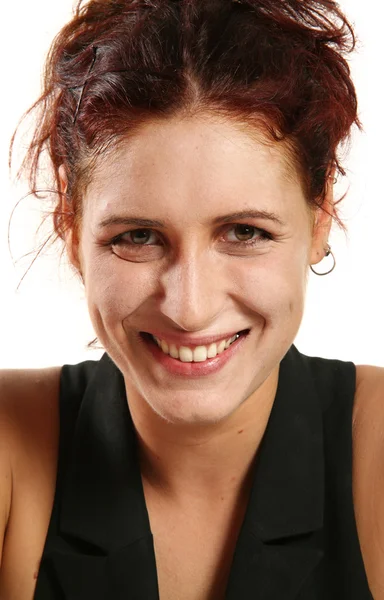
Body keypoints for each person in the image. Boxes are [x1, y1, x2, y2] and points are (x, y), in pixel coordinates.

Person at [0, 0, 383, 598]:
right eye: (138, 237)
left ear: (319, 219)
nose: (190, 307)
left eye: (243, 232)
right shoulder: (9, 442)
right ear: (71, 230)